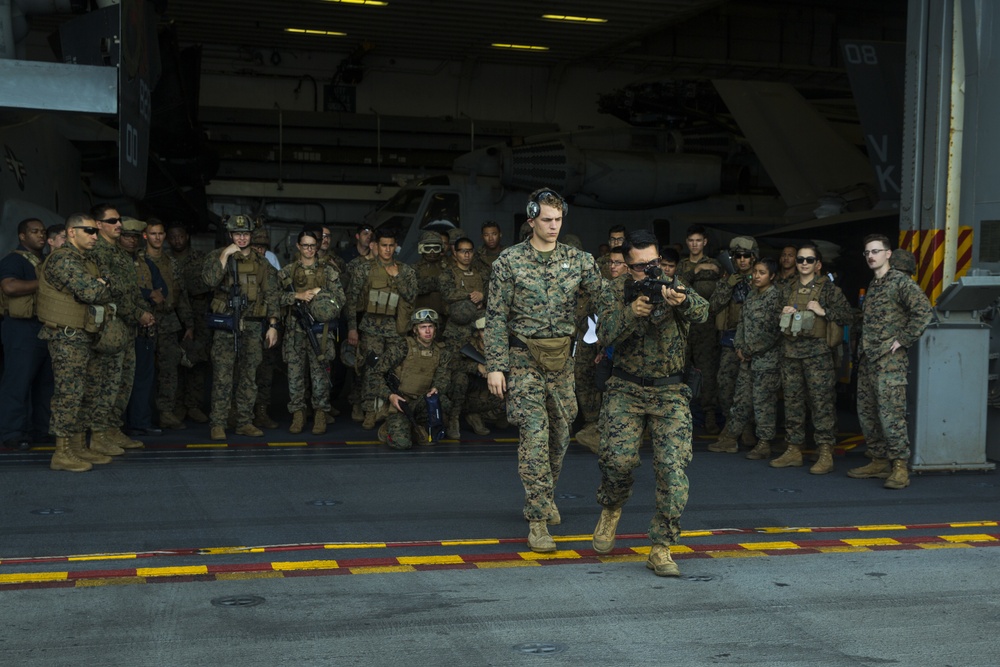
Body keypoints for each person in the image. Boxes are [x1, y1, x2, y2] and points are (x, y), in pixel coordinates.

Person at [485, 188, 604, 553]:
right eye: (547, 220)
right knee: (535, 435)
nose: (553, 227)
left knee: (560, 434)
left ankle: (544, 493)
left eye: (558, 220)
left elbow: (605, 299)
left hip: (562, 361)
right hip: (524, 360)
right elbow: (495, 316)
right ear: (532, 220)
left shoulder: (579, 261)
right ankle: (537, 520)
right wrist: (495, 367)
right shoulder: (510, 262)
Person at [591, 229, 709, 577]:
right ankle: (612, 506)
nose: (650, 271)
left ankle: (661, 546)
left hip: (670, 391)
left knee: (673, 472)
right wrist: (632, 312)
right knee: (617, 461)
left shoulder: (674, 285)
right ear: (627, 267)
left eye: (655, 263)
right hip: (625, 389)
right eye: (641, 266)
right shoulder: (613, 291)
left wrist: (682, 302)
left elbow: (703, 312)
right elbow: (603, 334)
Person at [848, 235, 933, 489]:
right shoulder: (874, 285)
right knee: (868, 413)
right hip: (869, 359)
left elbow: (924, 311)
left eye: (876, 251)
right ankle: (878, 460)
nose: (871, 256)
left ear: (888, 254)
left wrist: (904, 339)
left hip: (889, 362)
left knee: (891, 415)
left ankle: (899, 467)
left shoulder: (899, 282)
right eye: (867, 252)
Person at [36, 213, 116, 471]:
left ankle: (79, 446)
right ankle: (61, 452)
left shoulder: (86, 260)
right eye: (89, 231)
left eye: (95, 231)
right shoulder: (63, 259)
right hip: (66, 337)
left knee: (87, 392)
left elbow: (105, 285)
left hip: (85, 334)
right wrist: (100, 285)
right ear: (72, 233)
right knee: (69, 394)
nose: (95, 235)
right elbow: (91, 291)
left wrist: (101, 284)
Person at [771, 242, 854, 473]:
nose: (803, 264)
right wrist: (782, 313)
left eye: (809, 260)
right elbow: (772, 317)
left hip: (818, 355)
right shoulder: (787, 288)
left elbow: (849, 315)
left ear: (817, 264)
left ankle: (825, 451)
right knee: (793, 402)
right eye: (800, 260)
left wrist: (824, 312)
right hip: (790, 353)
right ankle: (794, 448)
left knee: (821, 403)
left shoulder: (829, 290)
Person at [202, 214, 281, 440]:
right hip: (226, 324)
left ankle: (244, 420)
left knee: (249, 374)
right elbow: (209, 281)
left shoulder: (261, 263)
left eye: (245, 234)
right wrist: (225, 255)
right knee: (223, 375)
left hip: (253, 325)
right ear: (230, 235)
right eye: (237, 234)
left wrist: (273, 325)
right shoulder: (217, 257)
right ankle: (218, 422)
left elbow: (272, 294)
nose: (242, 238)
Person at [89, 204, 155, 452]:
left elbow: (131, 289)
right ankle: (100, 433)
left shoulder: (120, 253)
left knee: (123, 381)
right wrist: (139, 313)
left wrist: (143, 311)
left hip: (126, 327)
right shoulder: (99, 252)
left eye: (119, 221)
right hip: (110, 326)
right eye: (113, 221)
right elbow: (111, 290)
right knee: (107, 382)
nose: (119, 225)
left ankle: (113, 428)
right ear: (99, 225)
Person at [710, 257, 783, 459]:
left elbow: (773, 332)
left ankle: (764, 442)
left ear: (772, 276)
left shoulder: (775, 297)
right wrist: (740, 347)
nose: (756, 276)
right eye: (756, 272)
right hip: (747, 358)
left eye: (762, 273)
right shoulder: (751, 295)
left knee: (763, 402)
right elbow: (741, 324)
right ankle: (730, 438)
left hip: (766, 361)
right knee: (740, 399)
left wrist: (750, 350)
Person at [345, 226, 417, 429]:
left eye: (391, 246)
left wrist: (397, 277)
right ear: (376, 245)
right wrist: (352, 328)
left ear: (396, 247)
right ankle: (369, 411)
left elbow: (411, 296)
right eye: (383, 245)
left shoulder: (406, 271)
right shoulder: (364, 269)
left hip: (397, 329)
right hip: (371, 328)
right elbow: (351, 301)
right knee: (371, 369)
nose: (387, 250)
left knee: (395, 371)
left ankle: (389, 409)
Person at [278, 230, 346, 435]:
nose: (309, 249)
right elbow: (274, 299)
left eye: (312, 245)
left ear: (317, 246)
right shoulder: (287, 272)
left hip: (319, 331)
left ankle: (320, 413)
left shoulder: (328, 271)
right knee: (295, 376)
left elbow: (341, 299)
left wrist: (320, 292)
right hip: (294, 331)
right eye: (305, 245)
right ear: (298, 246)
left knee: (320, 376)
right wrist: (297, 296)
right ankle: (298, 414)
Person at [0, 218, 54, 450]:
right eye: (34, 232)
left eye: (43, 232)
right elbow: (9, 287)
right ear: (22, 236)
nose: (40, 236)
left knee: (45, 383)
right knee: (18, 381)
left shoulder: (44, 261)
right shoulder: (14, 259)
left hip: (44, 327)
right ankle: (12, 432)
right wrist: (44, 283)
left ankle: (41, 430)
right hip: (21, 328)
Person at [142, 218, 194, 430]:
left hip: (169, 321)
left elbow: (181, 295)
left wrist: (188, 324)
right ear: (145, 236)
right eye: (153, 233)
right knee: (142, 370)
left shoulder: (172, 263)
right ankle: (140, 414)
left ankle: (166, 412)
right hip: (144, 320)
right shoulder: (138, 260)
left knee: (169, 370)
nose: (157, 237)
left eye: (160, 233)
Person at [119, 216, 167, 437]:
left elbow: (163, 290)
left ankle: (140, 421)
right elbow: (118, 290)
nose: (131, 241)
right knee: (117, 378)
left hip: (144, 329)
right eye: (127, 236)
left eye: (134, 237)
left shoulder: (145, 262)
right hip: (120, 328)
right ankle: (114, 425)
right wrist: (148, 294)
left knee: (143, 377)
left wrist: (154, 294)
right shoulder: (112, 260)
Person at [377, 308, 452, 449]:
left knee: (444, 408)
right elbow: (375, 374)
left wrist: (437, 388)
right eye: (423, 327)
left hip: (423, 401)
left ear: (435, 329)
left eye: (431, 326)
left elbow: (443, 377)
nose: (428, 331)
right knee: (402, 443)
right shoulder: (403, 347)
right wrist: (390, 396)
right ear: (415, 330)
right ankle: (388, 427)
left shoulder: (441, 352)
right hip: (401, 401)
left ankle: (413, 426)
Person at [709, 236, 758, 449]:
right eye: (738, 256)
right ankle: (731, 424)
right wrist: (728, 286)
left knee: (751, 389)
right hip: (730, 339)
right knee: (725, 384)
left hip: (753, 342)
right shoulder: (727, 279)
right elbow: (713, 306)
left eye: (747, 256)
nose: (742, 260)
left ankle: (747, 427)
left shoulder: (760, 279)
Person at [439, 236, 489, 437]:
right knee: (457, 375)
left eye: (469, 251)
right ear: (455, 252)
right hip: (456, 331)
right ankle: (453, 418)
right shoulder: (447, 274)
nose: (466, 255)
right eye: (462, 251)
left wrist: (483, 295)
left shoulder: (481, 273)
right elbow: (446, 294)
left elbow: (492, 292)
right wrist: (472, 295)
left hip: (478, 330)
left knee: (484, 375)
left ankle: (474, 414)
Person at [678, 224, 725, 433]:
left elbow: (720, 287)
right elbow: (678, 286)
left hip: (706, 328)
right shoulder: (682, 266)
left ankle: (709, 415)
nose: (694, 244)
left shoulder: (715, 264)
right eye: (691, 241)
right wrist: (695, 271)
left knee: (707, 373)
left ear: (704, 242)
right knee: (680, 371)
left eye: (698, 240)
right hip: (684, 327)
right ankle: (681, 417)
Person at [167, 221, 212, 423]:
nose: (177, 240)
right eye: (173, 237)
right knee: (173, 363)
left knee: (197, 361)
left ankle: (193, 405)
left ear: (187, 237)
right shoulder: (165, 260)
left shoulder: (201, 259)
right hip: (172, 315)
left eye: (181, 236)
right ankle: (176, 407)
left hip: (200, 315)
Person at [250, 226, 282, 429]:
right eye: (256, 246)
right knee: (244, 371)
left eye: (263, 247)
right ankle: (240, 411)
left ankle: (261, 411)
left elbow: (277, 294)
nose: (260, 250)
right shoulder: (238, 261)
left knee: (266, 371)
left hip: (266, 323)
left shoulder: (271, 261)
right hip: (248, 323)